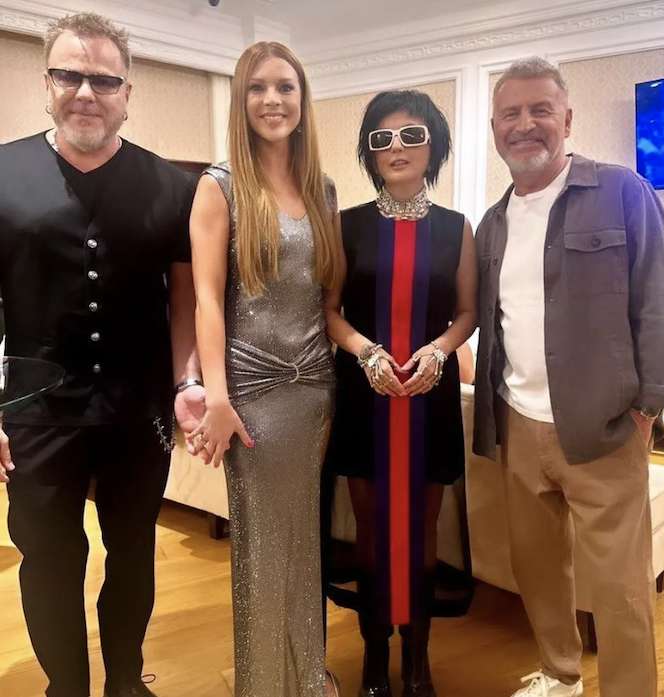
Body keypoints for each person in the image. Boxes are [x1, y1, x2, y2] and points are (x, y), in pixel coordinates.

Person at [473, 56, 664, 697]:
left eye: (540, 109)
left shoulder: (624, 191)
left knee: (620, 587)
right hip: (518, 424)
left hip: (605, 427)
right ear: (495, 129)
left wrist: (648, 408)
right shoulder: (492, 223)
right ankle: (560, 674)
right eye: (510, 113)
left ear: (567, 119)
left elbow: (658, 302)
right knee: (538, 569)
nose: (525, 124)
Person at [0, 12, 202, 697]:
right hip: (35, 414)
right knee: (48, 559)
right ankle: (66, 687)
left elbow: (184, 302)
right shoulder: (1, 173)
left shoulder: (172, 188)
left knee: (134, 551)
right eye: (69, 75)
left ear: (127, 92)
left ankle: (124, 680)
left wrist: (187, 383)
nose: (86, 92)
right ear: (47, 83)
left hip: (138, 413)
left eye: (104, 80)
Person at [188, 41, 341, 697]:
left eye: (285, 87)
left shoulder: (322, 189)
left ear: (302, 100)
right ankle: (262, 683)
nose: (272, 100)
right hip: (252, 394)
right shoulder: (219, 186)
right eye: (257, 88)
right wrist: (216, 397)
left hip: (316, 389)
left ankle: (307, 675)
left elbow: (324, 298)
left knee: (304, 537)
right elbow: (206, 298)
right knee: (261, 547)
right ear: (240, 100)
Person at [324, 90, 478, 697]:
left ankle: (417, 657)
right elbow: (329, 312)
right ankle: (373, 654)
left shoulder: (456, 228)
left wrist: (439, 351)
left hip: (429, 395)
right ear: (369, 152)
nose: (396, 148)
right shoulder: (346, 225)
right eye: (381, 138)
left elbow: (467, 313)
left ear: (433, 146)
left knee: (423, 529)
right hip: (365, 394)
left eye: (411, 135)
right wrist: (366, 351)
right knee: (370, 530)